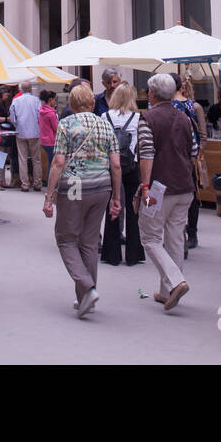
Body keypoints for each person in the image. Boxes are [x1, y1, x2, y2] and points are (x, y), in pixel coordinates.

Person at [43, 85, 122, 317]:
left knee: (66, 239)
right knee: (88, 242)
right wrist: (116, 196)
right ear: (92, 102)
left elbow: (58, 162)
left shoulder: (66, 124)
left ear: (72, 104)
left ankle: (87, 287)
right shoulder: (105, 123)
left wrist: (49, 196)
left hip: (75, 186)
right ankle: (86, 297)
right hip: (101, 187)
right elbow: (116, 164)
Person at [137, 73, 195, 311]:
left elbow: (147, 155)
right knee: (175, 237)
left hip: (159, 188)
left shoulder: (147, 118)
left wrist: (145, 186)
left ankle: (175, 281)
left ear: (152, 93)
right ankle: (166, 290)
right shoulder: (184, 118)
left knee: (150, 237)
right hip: (184, 186)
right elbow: (192, 151)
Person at [101, 82, 148, 267]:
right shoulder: (138, 117)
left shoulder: (105, 116)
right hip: (132, 165)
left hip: (111, 165)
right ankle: (134, 253)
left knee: (112, 204)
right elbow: (140, 144)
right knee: (133, 208)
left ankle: (111, 253)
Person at [171, 75, 206, 252]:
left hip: (189, 158)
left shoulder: (194, 107)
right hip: (181, 157)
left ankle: (192, 232)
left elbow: (202, 133)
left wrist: (199, 152)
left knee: (192, 196)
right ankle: (181, 234)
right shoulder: (169, 107)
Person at [9, 80, 43, 191]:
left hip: (21, 131)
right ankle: (37, 183)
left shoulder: (16, 100)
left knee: (22, 158)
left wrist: (16, 124)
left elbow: (13, 117)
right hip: (34, 131)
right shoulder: (36, 100)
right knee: (36, 159)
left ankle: (25, 184)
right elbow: (39, 114)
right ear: (30, 89)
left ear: (21, 89)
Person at [38, 89, 59, 163]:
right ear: (50, 100)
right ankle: (49, 175)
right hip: (51, 141)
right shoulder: (51, 113)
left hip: (43, 140)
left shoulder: (41, 111)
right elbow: (56, 129)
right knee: (52, 163)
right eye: (55, 99)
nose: (55, 102)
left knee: (48, 163)